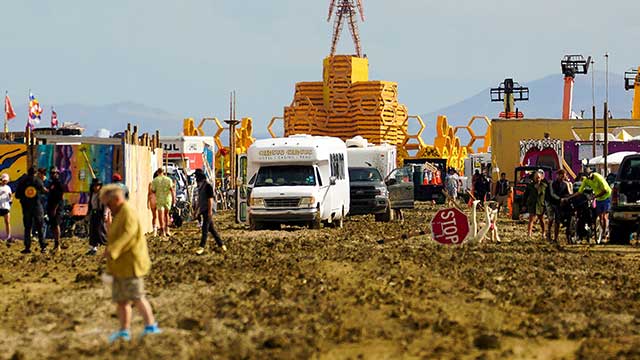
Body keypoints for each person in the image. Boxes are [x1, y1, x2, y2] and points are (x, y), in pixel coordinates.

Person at [99, 184, 161, 343]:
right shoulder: (118, 213)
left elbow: (128, 234)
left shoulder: (128, 212)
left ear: (117, 199)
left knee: (137, 297)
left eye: (108, 204)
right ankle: (124, 331)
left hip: (131, 264)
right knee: (122, 300)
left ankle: (150, 326)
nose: (108, 207)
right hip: (119, 266)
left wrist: (113, 250)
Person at [565, 168, 612, 243]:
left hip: (606, 196)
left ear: (591, 173)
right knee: (600, 216)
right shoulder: (586, 180)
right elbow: (580, 191)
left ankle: (604, 233)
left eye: (588, 174)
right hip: (598, 198)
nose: (588, 176)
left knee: (604, 216)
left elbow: (605, 190)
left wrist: (595, 196)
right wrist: (570, 197)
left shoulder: (598, 177)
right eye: (586, 175)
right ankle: (601, 231)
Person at [15, 167, 47, 254]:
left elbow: (17, 195)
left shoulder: (22, 181)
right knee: (40, 227)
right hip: (37, 206)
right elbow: (44, 191)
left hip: (26, 207)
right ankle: (43, 247)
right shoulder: (38, 181)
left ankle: (27, 247)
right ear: (35, 173)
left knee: (27, 228)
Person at [194, 169, 226, 255]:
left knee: (205, 229)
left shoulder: (208, 186)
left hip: (208, 210)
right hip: (203, 209)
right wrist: (196, 210)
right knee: (212, 229)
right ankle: (221, 245)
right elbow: (199, 200)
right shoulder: (200, 187)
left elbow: (210, 200)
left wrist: (209, 211)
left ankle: (201, 247)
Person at [547, 169, 572, 245]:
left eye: (564, 176)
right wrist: (560, 199)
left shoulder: (565, 184)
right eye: (561, 175)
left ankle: (561, 238)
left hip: (562, 204)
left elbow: (568, 193)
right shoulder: (552, 183)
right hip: (553, 203)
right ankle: (550, 235)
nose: (562, 177)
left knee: (562, 221)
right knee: (553, 220)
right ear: (558, 175)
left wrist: (565, 199)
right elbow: (552, 194)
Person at [150, 168, 175, 237]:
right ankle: (167, 229)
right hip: (167, 199)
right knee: (166, 214)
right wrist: (174, 200)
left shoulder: (155, 181)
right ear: (163, 172)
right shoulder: (169, 180)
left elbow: (153, 191)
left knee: (160, 216)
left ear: (158, 172)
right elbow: (172, 190)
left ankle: (162, 230)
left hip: (159, 199)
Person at [46, 168, 66, 252]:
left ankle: (58, 244)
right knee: (53, 225)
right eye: (51, 173)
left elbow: (59, 197)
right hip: (50, 206)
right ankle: (55, 243)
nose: (53, 174)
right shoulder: (51, 183)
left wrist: (55, 208)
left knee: (56, 224)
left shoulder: (59, 183)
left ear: (58, 173)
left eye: (55, 173)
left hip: (57, 207)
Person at [87, 178, 108, 255]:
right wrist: (88, 213)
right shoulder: (92, 194)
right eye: (95, 186)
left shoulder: (102, 194)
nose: (96, 187)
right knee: (92, 231)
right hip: (94, 213)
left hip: (100, 214)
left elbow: (106, 205)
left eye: (98, 186)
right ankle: (93, 248)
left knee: (100, 231)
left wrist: (105, 214)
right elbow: (90, 204)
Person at [525, 169, 547, 240]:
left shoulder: (544, 186)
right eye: (536, 177)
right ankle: (529, 233)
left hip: (541, 205)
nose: (537, 179)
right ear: (534, 178)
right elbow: (525, 195)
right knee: (531, 219)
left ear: (541, 178)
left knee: (541, 219)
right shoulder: (530, 186)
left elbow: (547, 196)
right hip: (532, 204)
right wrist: (524, 204)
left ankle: (543, 233)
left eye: (538, 177)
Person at [0, 173, 13, 245]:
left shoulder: (8, 187)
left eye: (6, 180)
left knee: (7, 222)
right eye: (4, 180)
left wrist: (10, 199)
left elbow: (10, 196)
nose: (5, 181)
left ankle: (8, 236)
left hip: (6, 207)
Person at [147, 169, 161, 236]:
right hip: (158, 199)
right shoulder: (159, 184)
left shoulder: (151, 184)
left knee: (154, 216)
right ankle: (161, 229)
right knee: (161, 215)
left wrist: (148, 203)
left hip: (152, 200)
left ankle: (154, 230)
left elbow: (149, 194)